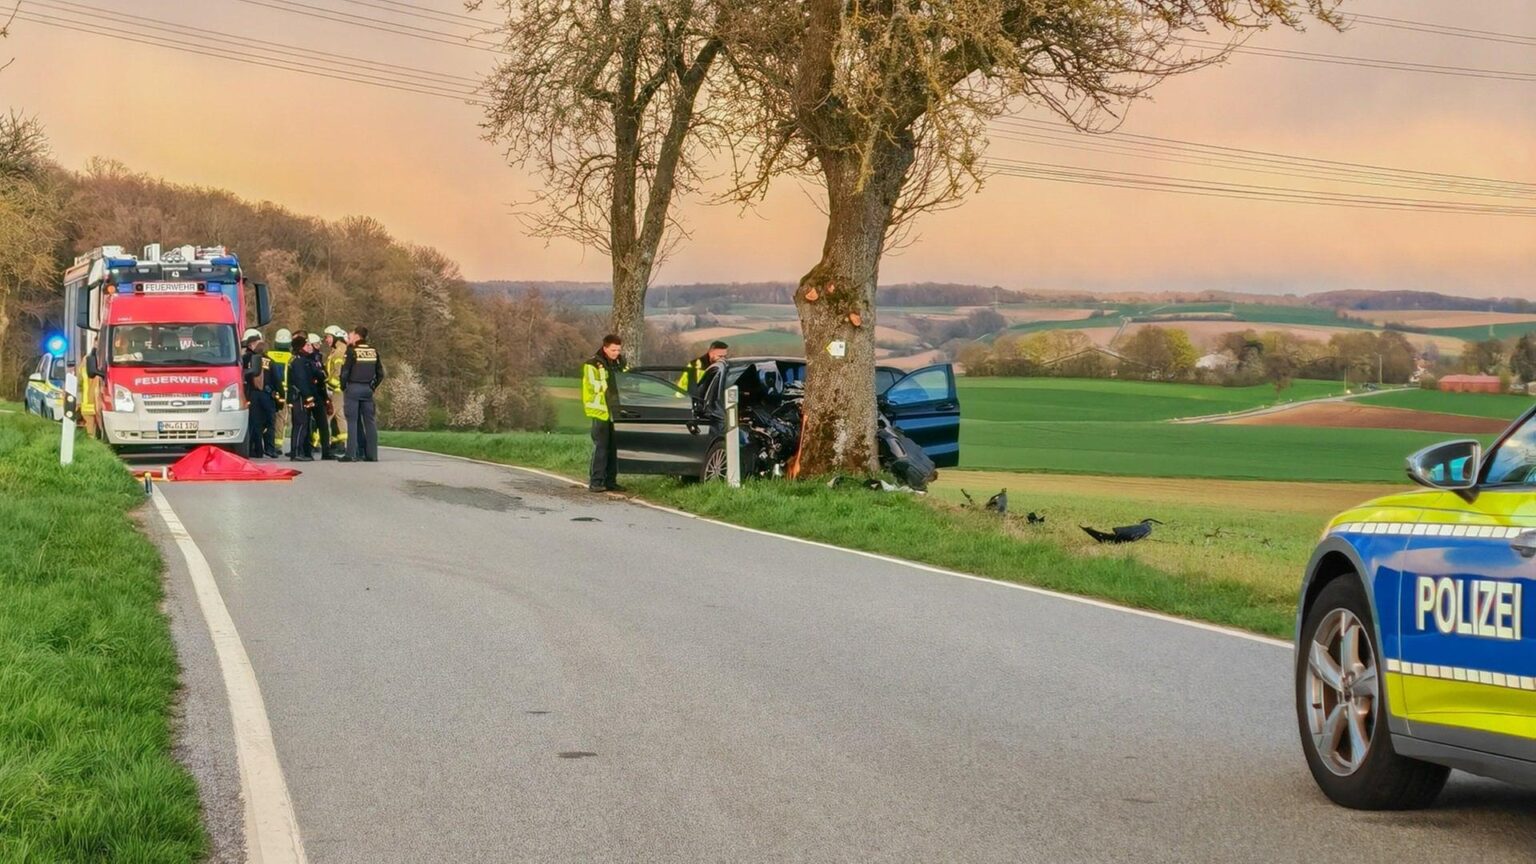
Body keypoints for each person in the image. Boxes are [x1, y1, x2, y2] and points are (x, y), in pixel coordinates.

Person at [582, 334, 628, 493]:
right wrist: (610, 386)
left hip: (615, 410)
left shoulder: (621, 362)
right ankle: (596, 481)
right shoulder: (592, 364)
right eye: (613, 350)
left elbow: (626, 381)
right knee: (601, 447)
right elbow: (593, 386)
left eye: (618, 350)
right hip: (600, 410)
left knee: (615, 447)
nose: (616, 353)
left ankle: (610, 481)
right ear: (605, 348)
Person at [338, 326, 384, 463]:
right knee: (370, 421)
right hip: (367, 389)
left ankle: (351, 454)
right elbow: (380, 373)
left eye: (351, 335)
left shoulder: (352, 351)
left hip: (353, 387)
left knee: (352, 421)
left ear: (358, 336)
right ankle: (372, 454)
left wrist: (343, 386)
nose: (349, 337)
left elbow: (345, 372)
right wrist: (373, 386)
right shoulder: (373, 351)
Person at [286, 331, 328, 462]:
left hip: (303, 396)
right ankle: (296, 452)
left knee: (304, 424)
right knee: (300, 424)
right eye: (307, 345)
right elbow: (301, 381)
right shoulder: (298, 362)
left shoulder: (304, 360)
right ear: (301, 347)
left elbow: (317, 375)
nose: (309, 347)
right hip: (299, 397)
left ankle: (302, 451)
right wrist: (308, 397)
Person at [242, 335, 279, 459]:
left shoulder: (246, 360)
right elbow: (276, 379)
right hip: (267, 395)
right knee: (270, 423)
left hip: (252, 395)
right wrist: (281, 396)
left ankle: (257, 451)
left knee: (255, 424)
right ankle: (270, 449)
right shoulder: (269, 361)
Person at [267, 327, 294, 454]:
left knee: (269, 416)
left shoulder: (269, 355)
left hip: (270, 391)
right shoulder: (291, 357)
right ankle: (277, 445)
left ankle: (267, 443)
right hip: (285, 391)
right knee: (281, 418)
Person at [323, 325, 349, 449]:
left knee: (327, 415)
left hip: (336, 389)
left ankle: (319, 442)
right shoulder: (336, 349)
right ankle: (342, 442)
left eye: (327, 337)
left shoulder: (339, 351)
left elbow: (337, 372)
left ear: (334, 337)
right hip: (339, 389)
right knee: (340, 416)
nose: (326, 340)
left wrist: (330, 386)